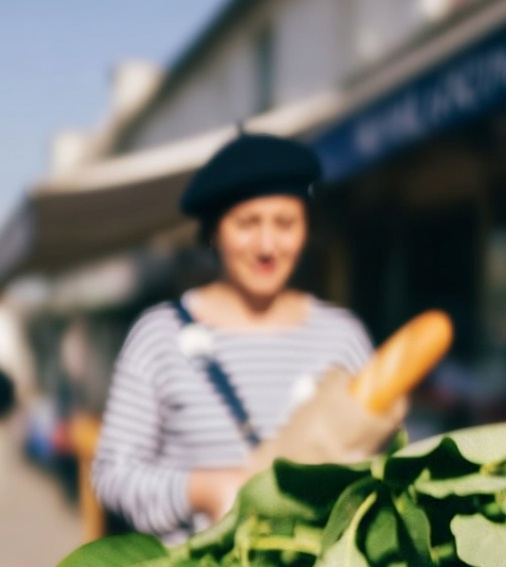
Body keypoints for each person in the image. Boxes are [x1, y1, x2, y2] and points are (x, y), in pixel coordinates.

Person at [93, 132, 404, 543]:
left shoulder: (341, 336)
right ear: (214, 232)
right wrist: (201, 490)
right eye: (247, 223)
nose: (267, 245)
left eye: (285, 223)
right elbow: (112, 474)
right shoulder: (159, 335)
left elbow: (376, 469)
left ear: (305, 229)